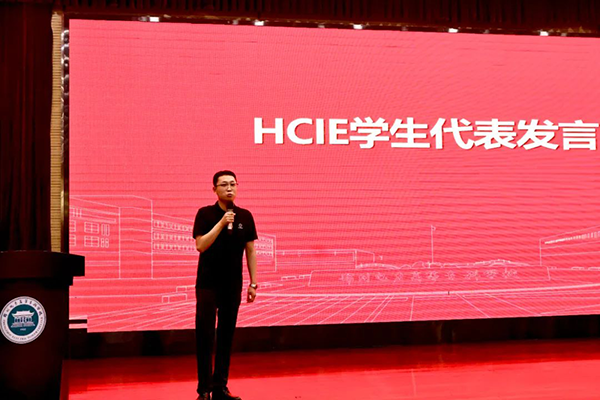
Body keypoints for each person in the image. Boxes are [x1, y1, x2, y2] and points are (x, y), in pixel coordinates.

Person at [193, 170, 258, 400]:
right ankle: (204, 390)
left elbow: (250, 251)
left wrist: (253, 283)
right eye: (224, 185)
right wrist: (222, 223)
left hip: (232, 285)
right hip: (207, 284)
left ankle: (220, 387)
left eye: (233, 184)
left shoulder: (246, 216)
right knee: (205, 336)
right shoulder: (205, 214)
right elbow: (201, 245)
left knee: (226, 336)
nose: (229, 188)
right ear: (214, 189)